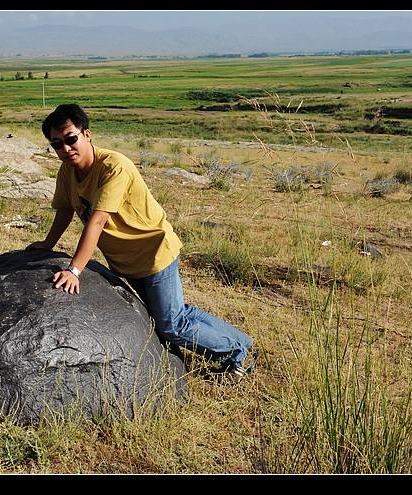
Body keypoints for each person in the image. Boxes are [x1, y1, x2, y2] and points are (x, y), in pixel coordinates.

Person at [26, 103, 256, 381]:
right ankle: (242, 343)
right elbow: (66, 209)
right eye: (57, 144)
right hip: (126, 260)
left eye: (70, 139)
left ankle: (236, 353)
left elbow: (97, 221)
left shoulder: (114, 167)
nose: (65, 149)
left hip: (154, 252)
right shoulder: (68, 172)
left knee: (170, 326)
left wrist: (74, 270)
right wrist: (48, 243)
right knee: (175, 315)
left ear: (87, 134)